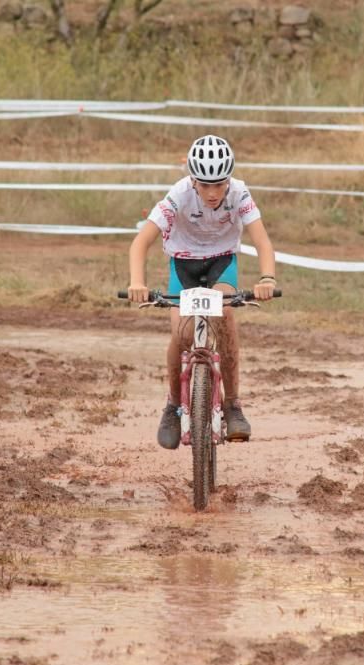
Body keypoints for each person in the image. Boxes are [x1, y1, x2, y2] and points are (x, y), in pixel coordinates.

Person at [127, 134, 278, 449]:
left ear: (229, 180)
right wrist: (137, 283)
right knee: (181, 334)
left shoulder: (239, 193)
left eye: (219, 184)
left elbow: (262, 241)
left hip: (221, 262)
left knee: (224, 315)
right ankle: (172, 406)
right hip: (183, 264)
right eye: (205, 185)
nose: (212, 192)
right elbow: (141, 242)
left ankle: (233, 404)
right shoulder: (178, 195)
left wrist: (267, 279)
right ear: (192, 180)